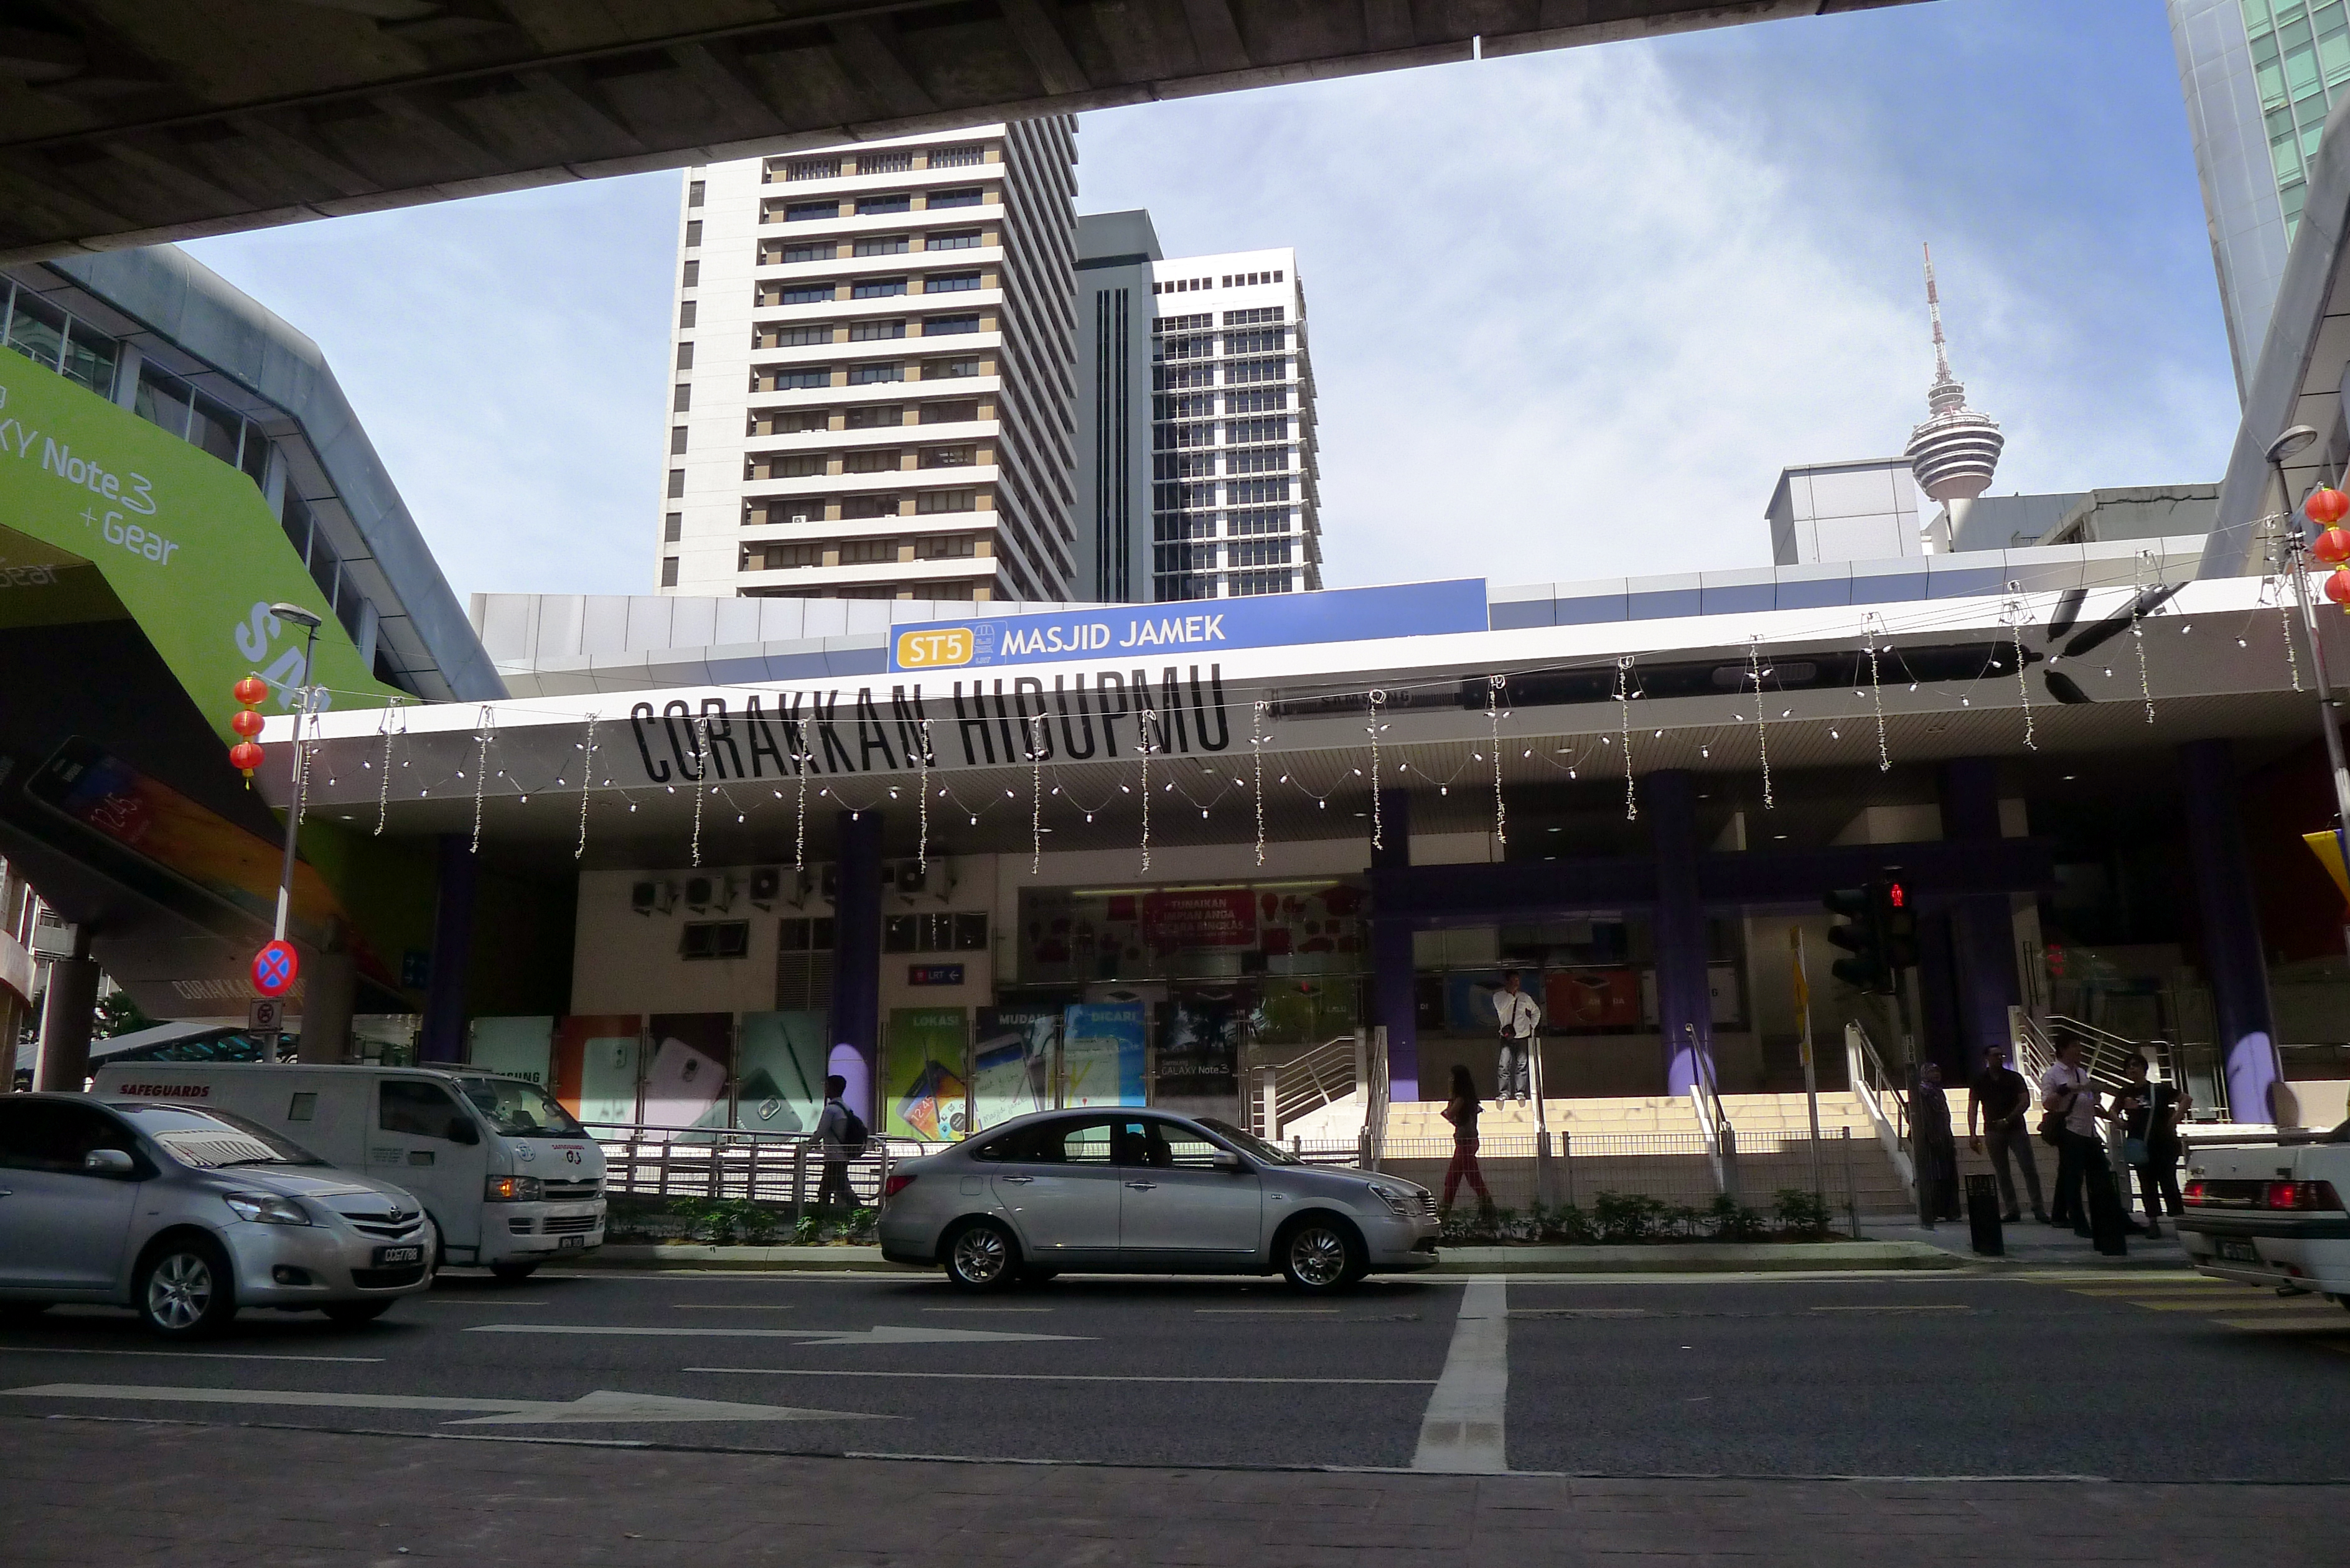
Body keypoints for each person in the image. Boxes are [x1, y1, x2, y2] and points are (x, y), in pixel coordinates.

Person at [1968, 1042, 2048, 1224]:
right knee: (2002, 1171)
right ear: (1987, 1058)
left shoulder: (2014, 1078)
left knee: (2029, 1168)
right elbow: (1972, 1107)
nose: (1999, 1058)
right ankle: (2012, 1209)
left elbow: (2024, 1101)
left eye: (2001, 1055)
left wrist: (2009, 1119)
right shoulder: (1980, 1080)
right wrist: (1972, 1134)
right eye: (1995, 1055)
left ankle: (2038, 1207)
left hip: (2016, 1128)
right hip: (1993, 1130)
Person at [2039, 1038, 2109, 1238]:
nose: (2080, 1050)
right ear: (2063, 1049)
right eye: (2075, 1046)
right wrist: (2065, 1090)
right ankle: (2079, 1222)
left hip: (2088, 1129)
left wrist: (2095, 1096)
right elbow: (2048, 1104)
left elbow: (2088, 1097)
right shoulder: (2052, 1074)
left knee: (2079, 1173)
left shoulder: (2081, 1072)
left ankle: (2060, 1215)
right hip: (2070, 1130)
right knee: (2073, 1177)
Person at [2118, 1052, 2188, 1239]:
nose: (2132, 1069)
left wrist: (2174, 1120)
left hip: (2163, 1144)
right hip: (2140, 1145)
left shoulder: (2159, 1090)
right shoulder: (2125, 1093)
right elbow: (2116, 1116)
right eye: (2128, 1067)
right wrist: (2115, 1120)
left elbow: (2185, 1099)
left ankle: (2179, 1221)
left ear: (2144, 1069)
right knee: (2147, 1185)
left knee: (2169, 1183)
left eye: (2136, 1065)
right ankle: (2153, 1222)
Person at [1438, 1063, 1496, 1221]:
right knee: (1454, 1178)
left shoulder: (1461, 1099)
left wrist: (1451, 1096)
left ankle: (1488, 1212)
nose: (1449, 1080)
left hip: (1465, 1144)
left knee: (1470, 1179)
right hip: (1467, 1142)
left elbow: (1450, 1113)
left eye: (1452, 1078)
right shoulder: (1470, 1099)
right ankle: (1445, 1210)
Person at [1912, 1061, 1960, 1226]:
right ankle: (1932, 1210)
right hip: (1931, 1139)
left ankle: (1948, 1210)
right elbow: (1924, 1117)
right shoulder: (1923, 1092)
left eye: (1938, 1071)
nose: (1936, 1075)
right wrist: (1931, 1136)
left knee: (1947, 1175)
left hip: (1944, 1135)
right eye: (1932, 1072)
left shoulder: (1938, 1091)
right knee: (1934, 1176)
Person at [1494, 970, 1542, 1104]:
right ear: (1507, 982)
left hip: (1523, 1035)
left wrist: (1531, 1026)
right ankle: (1504, 1092)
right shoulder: (1498, 996)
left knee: (1522, 1064)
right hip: (1507, 1036)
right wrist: (1511, 995)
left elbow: (1536, 1011)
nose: (1516, 984)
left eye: (1517, 981)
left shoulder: (1525, 997)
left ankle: (1520, 1092)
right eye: (1513, 981)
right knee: (1504, 1064)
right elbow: (1502, 1008)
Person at [813, 1073, 858, 1211]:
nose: (825, 1089)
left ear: (832, 1088)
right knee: (826, 1188)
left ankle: (863, 1215)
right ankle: (819, 1217)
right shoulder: (846, 1108)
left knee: (842, 1189)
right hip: (842, 1155)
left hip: (834, 1156)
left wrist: (807, 1146)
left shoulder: (831, 1110)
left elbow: (820, 1132)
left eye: (826, 1086)